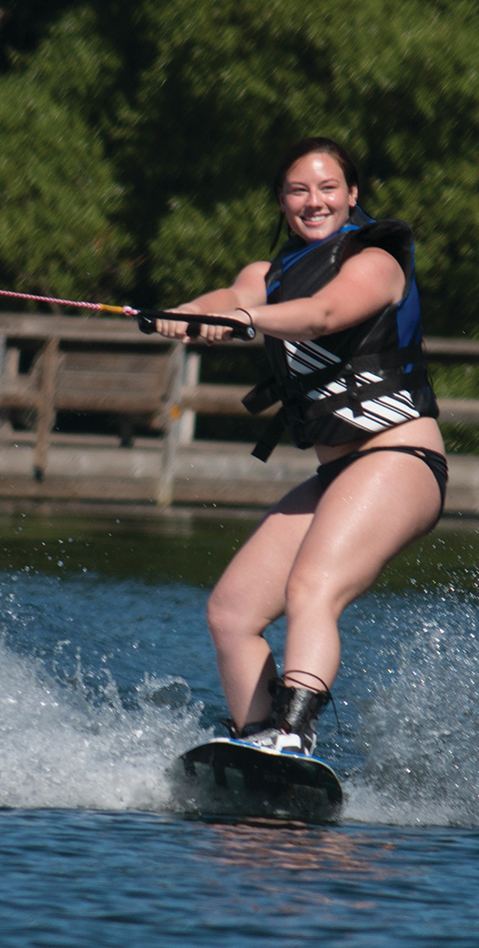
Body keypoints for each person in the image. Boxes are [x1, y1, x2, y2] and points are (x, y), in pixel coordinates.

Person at [156, 137, 446, 757]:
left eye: (327, 188)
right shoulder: (271, 274)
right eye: (298, 190)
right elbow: (233, 299)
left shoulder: (377, 260)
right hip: (338, 475)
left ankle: (292, 736)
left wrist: (247, 323)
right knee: (231, 613)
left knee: (310, 589)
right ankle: (257, 740)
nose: (313, 201)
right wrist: (183, 313)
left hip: (401, 460)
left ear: (352, 196)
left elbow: (321, 315)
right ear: (282, 200)